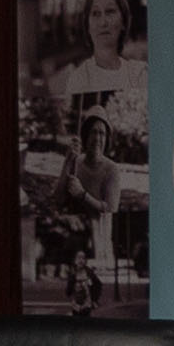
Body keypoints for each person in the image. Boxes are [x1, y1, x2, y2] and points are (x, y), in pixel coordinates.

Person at [52, 106, 119, 275]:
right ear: (85, 135)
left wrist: (83, 195)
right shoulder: (76, 162)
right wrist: (67, 161)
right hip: (76, 237)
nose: (97, 138)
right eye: (93, 132)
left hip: (99, 239)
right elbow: (59, 200)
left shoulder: (111, 169)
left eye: (102, 133)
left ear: (107, 138)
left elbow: (110, 208)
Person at [55, 0, 145, 97]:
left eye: (110, 11)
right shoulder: (78, 80)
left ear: (123, 21)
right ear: (88, 25)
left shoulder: (138, 74)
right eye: (96, 13)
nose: (103, 22)